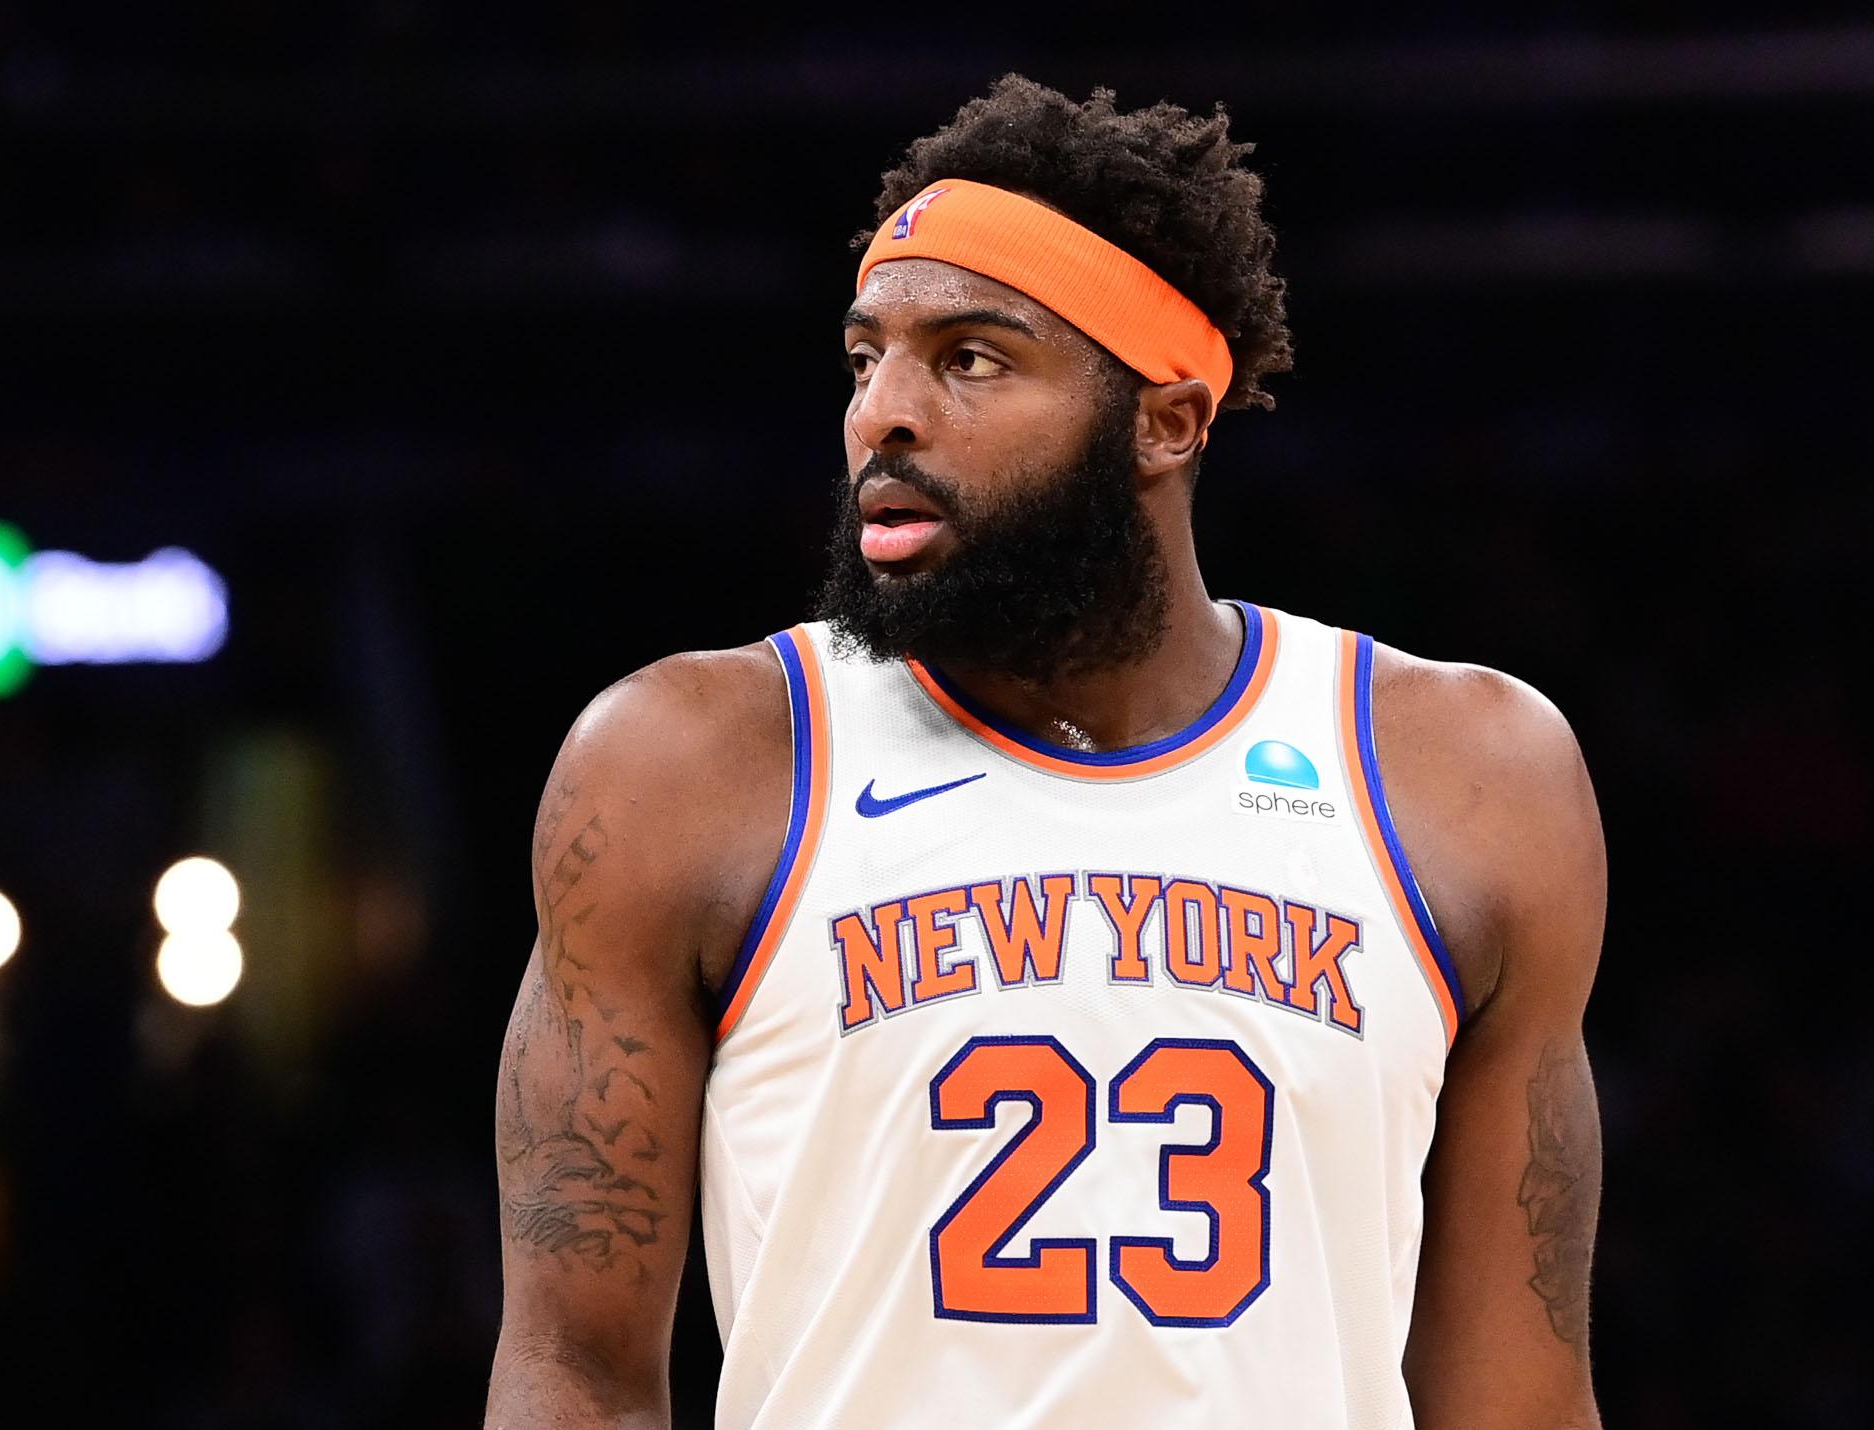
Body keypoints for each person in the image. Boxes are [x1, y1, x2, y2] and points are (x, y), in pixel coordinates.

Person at [485, 75, 1607, 1430]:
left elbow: (1520, 1404)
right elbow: (576, 1378)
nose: (881, 414)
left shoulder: (1468, 777)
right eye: (865, 356)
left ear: (1169, 418)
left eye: (970, 357)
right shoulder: (686, 765)